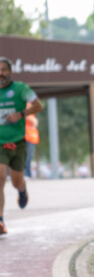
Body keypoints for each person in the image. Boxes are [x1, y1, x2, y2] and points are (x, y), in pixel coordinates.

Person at [0, 57, 43, 235]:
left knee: (16, 181)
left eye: (4, 70)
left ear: (10, 72)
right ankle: (0, 220)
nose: (1, 73)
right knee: (0, 178)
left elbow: (38, 106)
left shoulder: (21, 88)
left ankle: (22, 189)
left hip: (17, 143)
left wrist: (20, 114)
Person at [24, 104, 40, 178]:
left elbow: (34, 122)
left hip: (30, 138)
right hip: (23, 137)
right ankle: (26, 174)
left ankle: (27, 174)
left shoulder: (28, 106)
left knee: (27, 157)